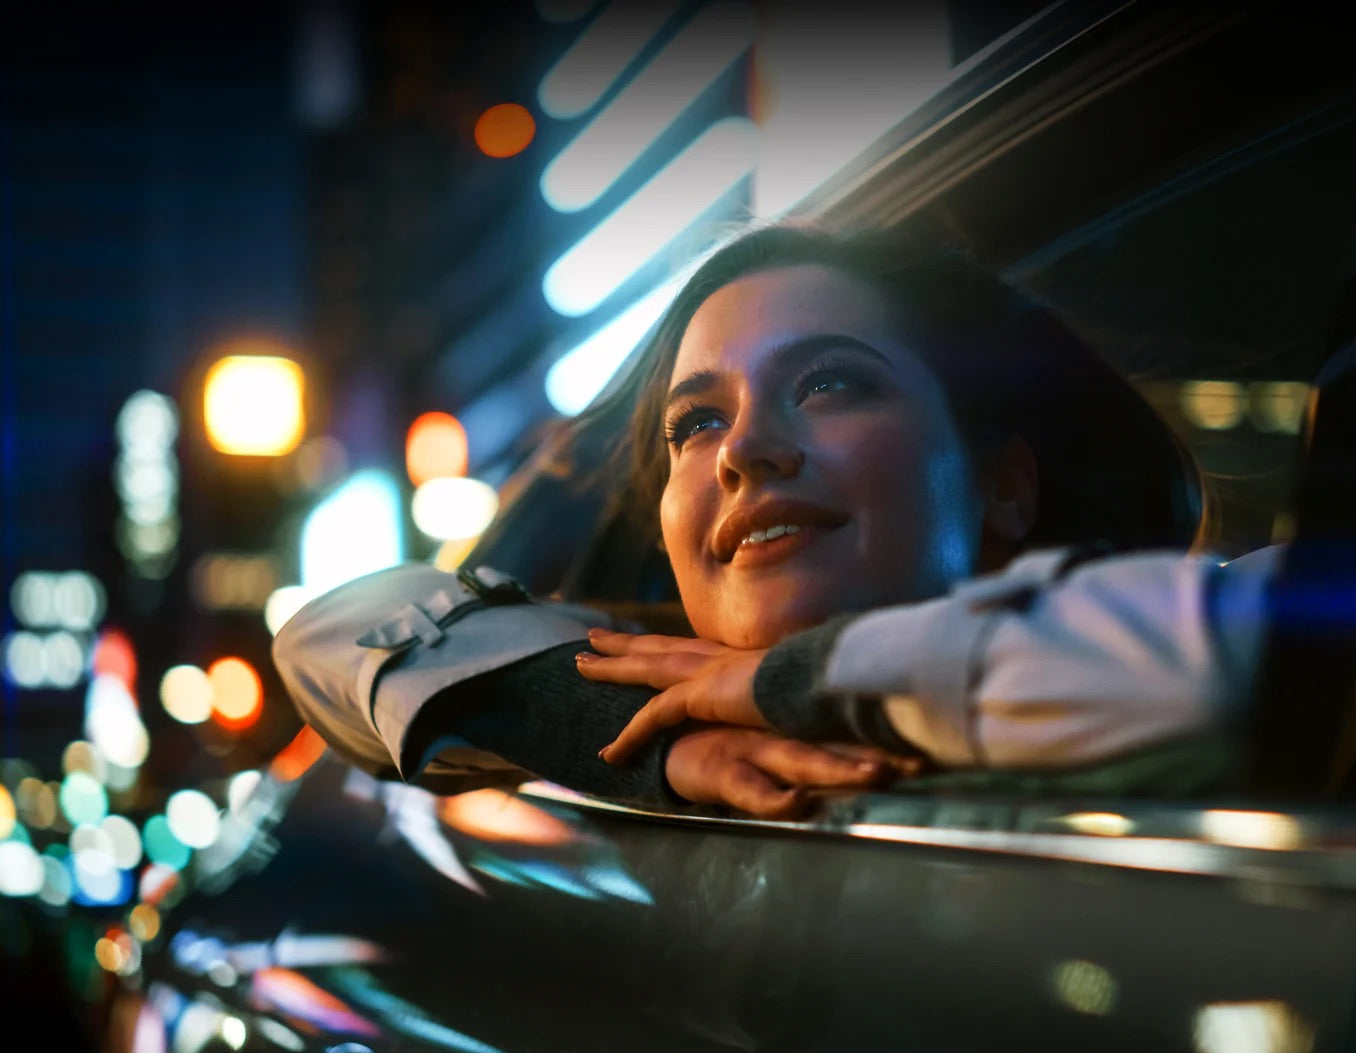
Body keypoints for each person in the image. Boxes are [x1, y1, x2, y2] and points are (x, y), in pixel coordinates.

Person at [272, 225, 1280, 818]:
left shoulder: (1176, 628)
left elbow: (1274, 645)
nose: (744, 449)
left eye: (831, 382)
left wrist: (801, 682)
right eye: (696, 422)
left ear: (1004, 487)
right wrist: (615, 731)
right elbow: (327, 635)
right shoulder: (651, 677)